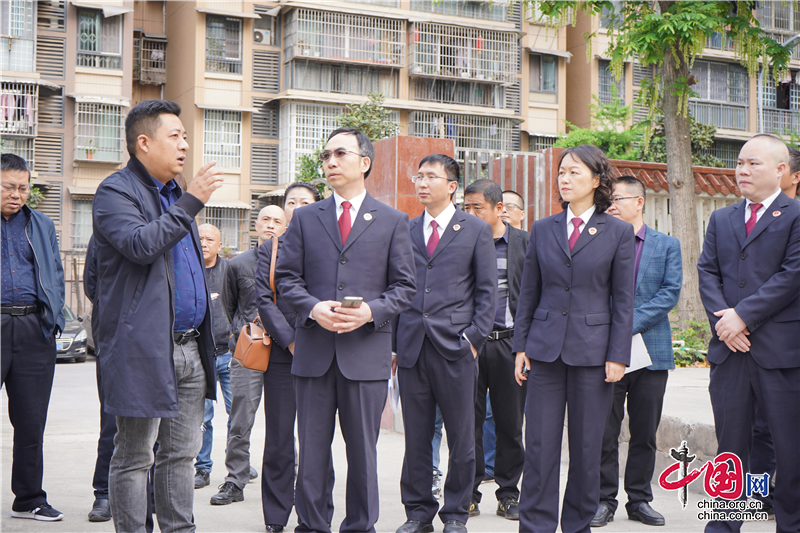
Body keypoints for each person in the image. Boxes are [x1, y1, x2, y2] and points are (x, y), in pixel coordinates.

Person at [92, 99, 224, 532]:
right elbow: (141, 245)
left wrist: (185, 201)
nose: (185, 144)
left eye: (186, 136)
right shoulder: (116, 191)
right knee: (134, 457)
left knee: (181, 456)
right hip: (145, 350)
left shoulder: (174, 194)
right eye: (175, 136)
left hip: (189, 347)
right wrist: (192, 201)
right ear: (143, 143)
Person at [276, 127, 416, 533]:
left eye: (340, 154)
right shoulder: (304, 218)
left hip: (365, 356)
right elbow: (286, 280)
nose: (331, 163)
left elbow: (405, 287)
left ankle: (360, 525)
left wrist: (370, 312)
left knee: (363, 454)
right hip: (314, 353)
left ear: (364, 163)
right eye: (326, 156)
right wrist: (313, 308)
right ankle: (312, 525)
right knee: (313, 452)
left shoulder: (392, 221)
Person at [513, 144, 635, 533]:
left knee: (586, 449)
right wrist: (521, 345)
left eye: (574, 173)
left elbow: (624, 300)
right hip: (545, 352)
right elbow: (528, 292)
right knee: (540, 448)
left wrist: (618, 354)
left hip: (594, 354)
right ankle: (535, 525)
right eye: (562, 172)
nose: (564, 179)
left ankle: (577, 525)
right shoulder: (543, 228)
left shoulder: (618, 231)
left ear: (596, 181)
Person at [697, 134, 800, 533]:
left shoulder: (795, 215)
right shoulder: (722, 218)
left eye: (753, 163)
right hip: (731, 352)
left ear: (780, 170)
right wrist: (726, 326)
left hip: (781, 353)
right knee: (731, 452)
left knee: (790, 453)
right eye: (740, 163)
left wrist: (742, 316)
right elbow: (707, 272)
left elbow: (792, 276)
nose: (742, 170)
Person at [394, 154, 497, 533]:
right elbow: (396, 289)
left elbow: (488, 292)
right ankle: (418, 513)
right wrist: (393, 344)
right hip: (411, 345)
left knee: (461, 435)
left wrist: (473, 339)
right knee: (418, 436)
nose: (421, 183)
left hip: (456, 346)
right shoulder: (404, 228)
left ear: (451, 186)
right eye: (418, 176)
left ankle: (456, 512)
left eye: (431, 177)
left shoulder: (474, 229)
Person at [593, 176, 682, 528]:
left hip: (651, 350)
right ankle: (603, 499)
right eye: (608, 200)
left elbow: (669, 293)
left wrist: (626, 324)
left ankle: (640, 500)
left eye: (618, 199)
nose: (612, 205)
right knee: (604, 430)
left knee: (645, 431)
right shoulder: (599, 243)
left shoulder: (666, 245)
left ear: (639, 202)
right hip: (606, 351)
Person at [255, 182, 333, 532]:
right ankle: (275, 517)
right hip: (283, 357)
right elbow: (264, 299)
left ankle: (315, 513)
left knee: (317, 439)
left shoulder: (332, 245)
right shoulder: (271, 248)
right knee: (279, 440)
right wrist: (289, 341)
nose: (297, 206)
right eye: (291, 202)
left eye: (305, 201)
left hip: (323, 352)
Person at [1, 153, 65, 522]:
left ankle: (28, 498)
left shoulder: (40, 224)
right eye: (9, 186)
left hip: (32, 330)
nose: (17, 194)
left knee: (31, 421)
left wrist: (52, 316)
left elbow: (55, 271)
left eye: (23, 187)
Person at [462, 179, 529, 522]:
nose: (470, 214)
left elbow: (534, 295)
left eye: (478, 208)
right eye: (466, 208)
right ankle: (468, 494)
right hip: (469, 346)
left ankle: (508, 494)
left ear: (499, 208)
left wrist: (527, 345)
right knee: (467, 424)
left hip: (509, 345)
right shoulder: (460, 239)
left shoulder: (523, 243)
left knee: (509, 425)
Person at [210, 206, 286, 505]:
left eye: (277, 221)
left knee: (284, 421)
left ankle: (283, 481)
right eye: (265, 220)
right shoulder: (238, 264)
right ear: (255, 225)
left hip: (286, 350)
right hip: (248, 349)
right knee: (240, 419)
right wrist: (245, 331)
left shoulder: (295, 262)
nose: (270, 225)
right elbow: (230, 306)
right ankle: (235, 481)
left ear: (286, 227)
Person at [84, 236, 156, 529]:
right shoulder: (110, 229)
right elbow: (93, 282)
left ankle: (147, 496)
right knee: (112, 422)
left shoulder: (166, 227)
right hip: (117, 339)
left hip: (158, 340)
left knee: (156, 430)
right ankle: (104, 494)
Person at [746, 143, 800, 518]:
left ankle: (788, 509)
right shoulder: (739, 218)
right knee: (757, 433)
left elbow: (789, 278)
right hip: (747, 343)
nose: (745, 170)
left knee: (786, 435)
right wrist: (735, 322)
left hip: (787, 346)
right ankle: (758, 494)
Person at [194, 224, 232, 489]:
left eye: (210, 239)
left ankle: (237, 465)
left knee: (238, 416)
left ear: (220, 245)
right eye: (200, 238)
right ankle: (203, 468)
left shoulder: (230, 270)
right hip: (200, 356)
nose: (204, 243)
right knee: (203, 418)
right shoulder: (187, 269)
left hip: (229, 354)